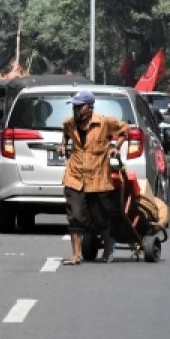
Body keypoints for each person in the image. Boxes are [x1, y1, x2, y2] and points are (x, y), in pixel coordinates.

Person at [58, 90, 128, 264]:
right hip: (74, 176)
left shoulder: (104, 123)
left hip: (97, 177)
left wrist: (116, 147)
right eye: (74, 107)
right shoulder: (70, 124)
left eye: (79, 107)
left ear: (89, 108)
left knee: (99, 217)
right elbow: (65, 132)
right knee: (75, 216)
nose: (76, 110)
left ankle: (107, 249)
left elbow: (125, 129)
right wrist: (63, 145)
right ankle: (76, 255)